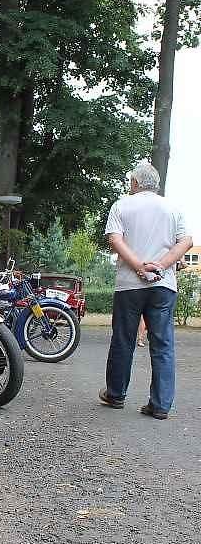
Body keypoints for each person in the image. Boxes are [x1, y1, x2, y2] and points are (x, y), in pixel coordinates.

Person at [99, 162, 193, 420]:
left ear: (136, 183)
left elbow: (115, 239)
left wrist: (139, 266)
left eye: (131, 181)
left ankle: (116, 394)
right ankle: (161, 405)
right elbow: (186, 241)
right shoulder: (173, 208)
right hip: (163, 285)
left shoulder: (122, 205)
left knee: (123, 340)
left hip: (130, 285)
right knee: (163, 344)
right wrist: (160, 265)